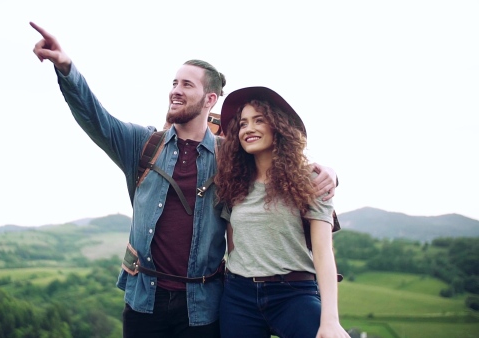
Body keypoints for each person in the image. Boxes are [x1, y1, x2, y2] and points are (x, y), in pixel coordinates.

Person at [30, 22, 338, 338]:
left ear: (210, 99)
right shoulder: (143, 145)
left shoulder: (229, 156)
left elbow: (276, 157)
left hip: (202, 306)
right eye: (174, 82)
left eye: (187, 85)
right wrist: (67, 68)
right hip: (144, 300)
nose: (176, 90)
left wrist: (322, 171)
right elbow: (96, 119)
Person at [215, 86, 349, 338]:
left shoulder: (311, 180)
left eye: (259, 120)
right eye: (243, 124)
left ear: (278, 126)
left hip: (294, 294)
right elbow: (234, 246)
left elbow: (323, 253)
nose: (249, 129)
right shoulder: (232, 182)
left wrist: (330, 320)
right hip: (238, 296)